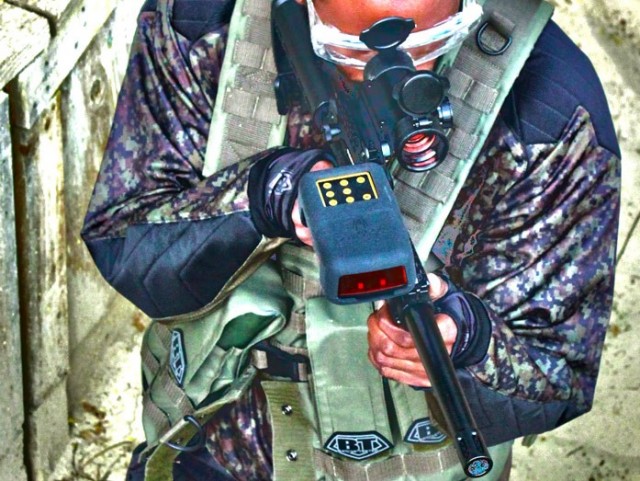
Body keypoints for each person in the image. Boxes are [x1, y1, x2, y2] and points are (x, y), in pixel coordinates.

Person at [81, 0, 621, 479]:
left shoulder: (547, 109)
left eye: (433, 42)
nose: (399, 76)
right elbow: (122, 237)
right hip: (219, 452)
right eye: (348, 48)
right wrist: (266, 193)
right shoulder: (203, 25)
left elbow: (559, 377)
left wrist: (469, 341)